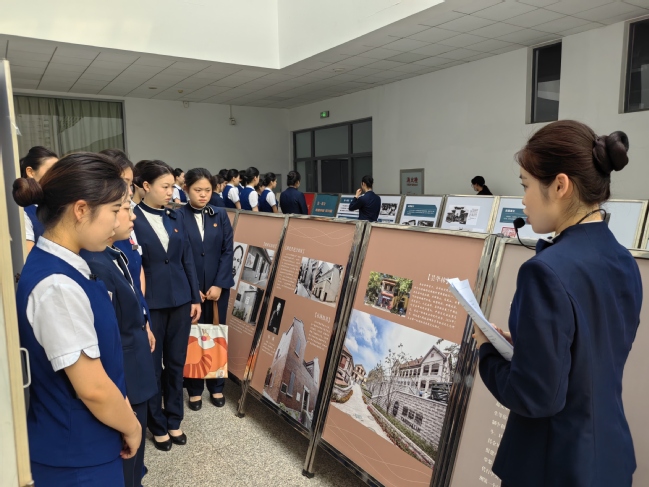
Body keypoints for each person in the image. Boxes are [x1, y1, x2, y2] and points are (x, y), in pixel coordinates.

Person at [474, 121, 641, 487]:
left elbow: (535, 397)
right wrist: (529, 348)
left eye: (526, 185)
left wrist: (486, 351)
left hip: (552, 467)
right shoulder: (624, 261)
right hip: (609, 457)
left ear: (560, 185)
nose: (523, 200)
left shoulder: (545, 272)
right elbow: (592, 353)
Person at [13, 153, 141, 487]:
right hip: (76, 460)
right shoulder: (57, 286)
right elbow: (93, 388)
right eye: (115, 210)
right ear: (81, 209)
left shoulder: (68, 265)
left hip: (88, 443)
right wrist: (132, 427)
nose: (117, 221)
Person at [81, 194, 156, 487]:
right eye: (123, 209)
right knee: (126, 460)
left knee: (135, 465)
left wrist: (144, 322)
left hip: (137, 364)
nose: (132, 216)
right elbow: (107, 335)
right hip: (125, 376)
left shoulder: (112, 253)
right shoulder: (96, 264)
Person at [132, 160, 201, 451]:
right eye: (165, 186)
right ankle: (157, 423)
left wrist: (195, 297)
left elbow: (187, 259)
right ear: (146, 186)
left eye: (173, 186)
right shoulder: (132, 219)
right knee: (152, 366)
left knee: (175, 362)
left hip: (181, 301)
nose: (171, 192)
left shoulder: (176, 217)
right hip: (152, 304)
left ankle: (174, 419)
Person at [180, 168, 234, 410]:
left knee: (216, 335)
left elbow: (227, 250)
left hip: (217, 288)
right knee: (192, 337)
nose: (203, 195)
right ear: (186, 189)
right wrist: (194, 290)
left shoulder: (220, 214)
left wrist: (219, 284)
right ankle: (194, 388)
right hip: (190, 289)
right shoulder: (177, 216)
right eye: (197, 190)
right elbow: (180, 255)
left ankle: (217, 385)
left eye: (207, 190)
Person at [19, 146, 58, 253]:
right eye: (51, 171)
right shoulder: (23, 212)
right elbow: (29, 256)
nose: (56, 176)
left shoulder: (57, 204)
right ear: (30, 172)